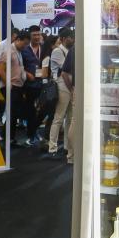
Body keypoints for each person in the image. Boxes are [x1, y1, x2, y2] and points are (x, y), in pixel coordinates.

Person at [46, 27, 74, 156]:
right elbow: (65, 70)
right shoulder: (58, 51)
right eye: (70, 37)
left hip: (69, 85)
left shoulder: (69, 50)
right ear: (63, 39)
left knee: (70, 117)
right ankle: (52, 146)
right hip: (62, 85)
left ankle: (68, 146)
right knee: (59, 117)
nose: (72, 40)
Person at [0, 28, 26, 143]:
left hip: (17, 86)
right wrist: (8, 84)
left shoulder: (18, 51)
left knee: (15, 113)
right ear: (18, 39)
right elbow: (0, 70)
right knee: (12, 112)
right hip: (10, 86)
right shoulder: (8, 51)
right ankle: (5, 136)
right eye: (25, 43)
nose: (25, 46)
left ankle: (10, 138)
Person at [21, 25, 48, 148]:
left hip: (43, 84)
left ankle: (34, 131)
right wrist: (27, 74)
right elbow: (20, 67)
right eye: (34, 35)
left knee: (43, 110)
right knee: (30, 111)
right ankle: (31, 135)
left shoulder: (45, 48)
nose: (37, 37)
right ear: (30, 36)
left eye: (38, 34)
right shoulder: (25, 50)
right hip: (30, 85)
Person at [60, 39, 76, 164]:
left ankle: (71, 156)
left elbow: (64, 72)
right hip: (92, 88)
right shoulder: (97, 46)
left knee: (74, 122)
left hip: (77, 89)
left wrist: (72, 89)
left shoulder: (74, 48)